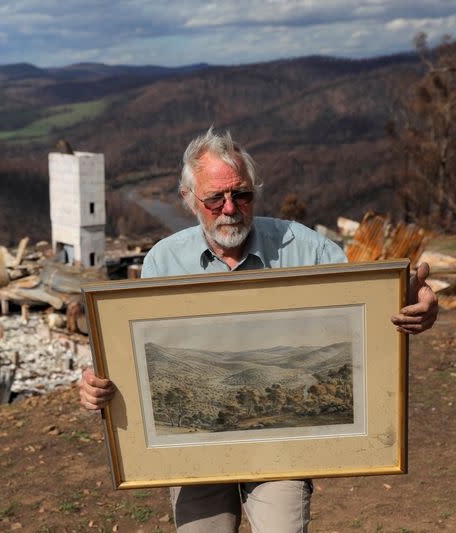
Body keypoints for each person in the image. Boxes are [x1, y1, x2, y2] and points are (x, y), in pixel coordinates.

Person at [79, 127, 439, 533]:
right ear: (188, 200)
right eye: (215, 198)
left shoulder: (307, 248)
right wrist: (95, 382)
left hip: (282, 449)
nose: (230, 208)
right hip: (192, 449)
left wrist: (417, 303)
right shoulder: (162, 261)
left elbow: (370, 305)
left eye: (242, 194)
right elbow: (131, 354)